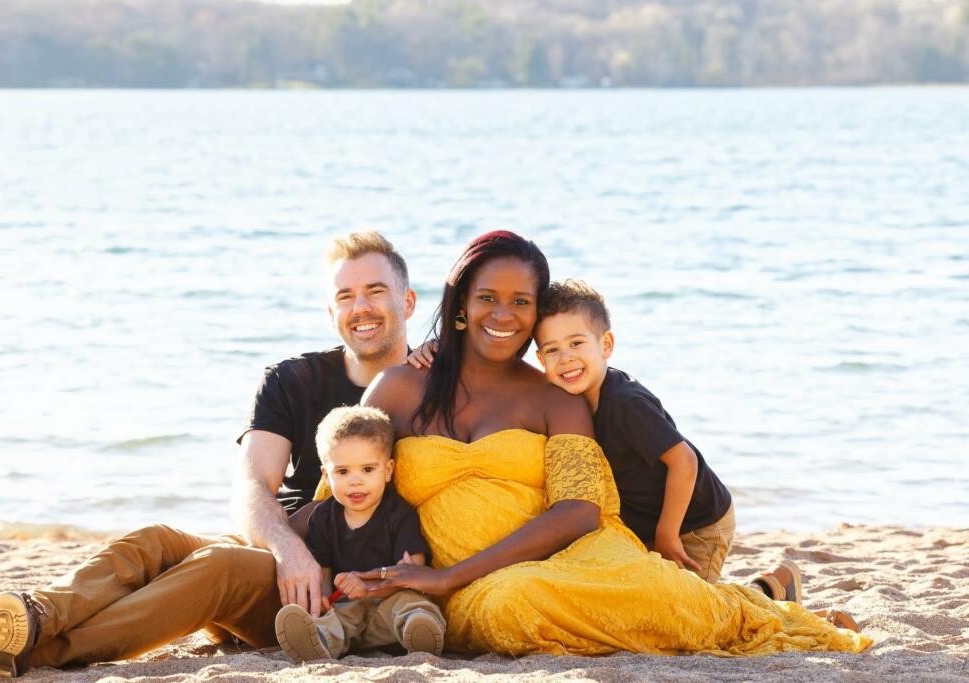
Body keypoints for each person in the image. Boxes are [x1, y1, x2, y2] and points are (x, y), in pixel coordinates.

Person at [355, 230, 871, 656]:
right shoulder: (399, 387)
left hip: (568, 562)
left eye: (521, 302)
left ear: (537, 314)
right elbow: (341, 483)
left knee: (533, 597)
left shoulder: (555, 397)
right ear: (461, 303)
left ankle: (760, 607)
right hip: (471, 588)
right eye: (487, 297)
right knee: (511, 605)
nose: (503, 315)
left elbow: (580, 510)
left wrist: (452, 576)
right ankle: (761, 595)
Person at [0, 231, 417, 677]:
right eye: (345, 296)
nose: (360, 307)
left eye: (375, 291)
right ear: (330, 310)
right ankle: (34, 616)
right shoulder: (292, 379)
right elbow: (252, 485)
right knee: (154, 541)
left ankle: (22, 653)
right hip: (278, 550)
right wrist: (287, 549)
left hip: (325, 593)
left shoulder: (432, 389)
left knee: (218, 567)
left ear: (408, 302)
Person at [532, 279, 734, 581]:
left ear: (606, 345)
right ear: (540, 359)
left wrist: (667, 534)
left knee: (695, 600)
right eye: (552, 349)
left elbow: (684, 461)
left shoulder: (627, 404)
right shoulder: (570, 400)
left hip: (697, 523)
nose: (565, 358)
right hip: (647, 525)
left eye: (576, 343)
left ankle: (770, 586)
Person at [274, 406, 445, 662]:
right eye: (343, 472)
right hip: (349, 611)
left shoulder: (399, 515)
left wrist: (368, 587)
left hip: (388, 609)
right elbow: (323, 570)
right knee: (335, 616)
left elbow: (412, 572)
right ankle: (320, 640)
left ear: (387, 470)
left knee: (412, 604)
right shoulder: (322, 518)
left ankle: (419, 632)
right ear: (326, 475)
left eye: (367, 469)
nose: (355, 481)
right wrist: (323, 599)